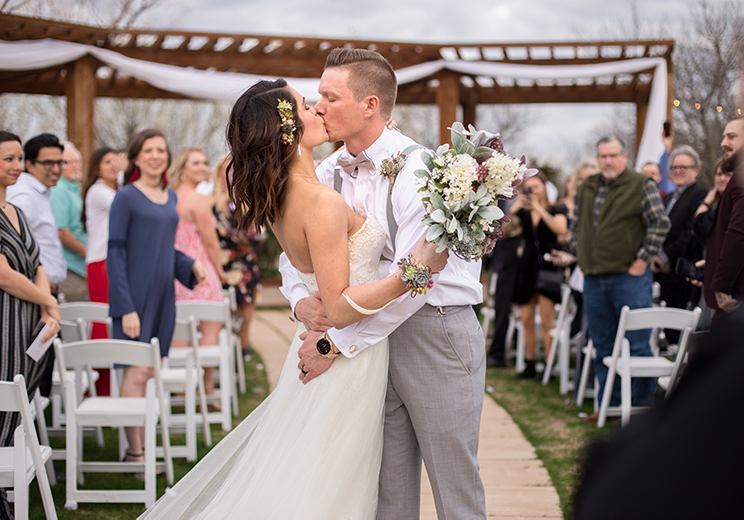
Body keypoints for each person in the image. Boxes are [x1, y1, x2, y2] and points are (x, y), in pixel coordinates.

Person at [140, 73, 447, 518]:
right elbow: (338, 306)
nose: (318, 108)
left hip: (335, 351)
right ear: (288, 130)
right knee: (330, 491)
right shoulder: (319, 201)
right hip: (347, 361)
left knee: (313, 479)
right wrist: (416, 270)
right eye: (306, 105)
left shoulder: (284, 194)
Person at [292, 48, 486, 519]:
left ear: (370, 105)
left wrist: (334, 344)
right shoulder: (326, 173)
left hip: (434, 333)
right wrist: (300, 302)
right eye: (318, 97)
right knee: (386, 492)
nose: (318, 108)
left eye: (330, 97)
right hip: (368, 346)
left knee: (454, 488)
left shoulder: (418, 169)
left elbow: (415, 280)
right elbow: (291, 252)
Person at [107, 128, 206, 466]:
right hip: (133, 298)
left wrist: (189, 264)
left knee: (152, 372)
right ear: (136, 156)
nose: (155, 156)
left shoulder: (171, 197)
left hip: (164, 298)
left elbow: (165, 249)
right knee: (135, 373)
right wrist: (125, 308)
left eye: (161, 150)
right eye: (148, 150)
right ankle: (135, 452)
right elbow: (115, 253)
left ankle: (145, 445)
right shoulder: (125, 197)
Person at [565, 136, 670, 423]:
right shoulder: (587, 187)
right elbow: (576, 226)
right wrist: (579, 251)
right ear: (597, 158)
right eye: (603, 156)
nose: (608, 161)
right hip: (593, 279)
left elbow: (660, 223)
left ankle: (642, 411)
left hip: (629, 277)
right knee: (603, 346)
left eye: (613, 155)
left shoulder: (641, 184)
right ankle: (608, 406)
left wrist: (642, 260)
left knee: (637, 345)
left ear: (624, 156)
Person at [0, 131, 60, 520]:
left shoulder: (16, 212)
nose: (17, 166)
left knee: (20, 402)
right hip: (4, 320)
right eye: (8, 159)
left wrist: (46, 309)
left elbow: (36, 263)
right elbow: (4, 275)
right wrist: (49, 300)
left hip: (27, 323)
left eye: (19, 158)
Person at [168, 147, 226, 407]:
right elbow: (210, 241)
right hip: (201, 270)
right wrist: (220, 272)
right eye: (196, 163)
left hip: (175, 272)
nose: (203, 167)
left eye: (204, 163)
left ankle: (181, 390)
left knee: (180, 328)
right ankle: (206, 389)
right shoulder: (199, 200)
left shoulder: (168, 197)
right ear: (183, 168)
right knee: (210, 329)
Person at [509, 171, 568, 378]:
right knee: (526, 319)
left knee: (546, 318)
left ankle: (550, 363)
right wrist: (515, 209)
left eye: (536, 186)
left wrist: (538, 208)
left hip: (547, 267)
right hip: (526, 267)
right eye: (529, 187)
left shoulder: (555, 208)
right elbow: (506, 231)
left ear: (544, 187)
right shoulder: (522, 211)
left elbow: (560, 229)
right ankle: (530, 362)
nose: (533, 190)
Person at [651, 146, 707, 331]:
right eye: (674, 167)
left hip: (683, 273)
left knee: (678, 329)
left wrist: (665, 257)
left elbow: (691, 231)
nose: (678, 171)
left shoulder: (700, 195)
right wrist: (656, 256)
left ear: (695, 170)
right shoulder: (667, 198)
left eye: (683, 167)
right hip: (664, 273)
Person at [212, 156, 262, 356]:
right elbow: (220, 231)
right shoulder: (211, 201)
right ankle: (225, 351)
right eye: (227, 169)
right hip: (223, 264)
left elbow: (258, 233)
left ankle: (243, 348)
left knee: (246, 313)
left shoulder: (249, 200)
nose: (231, 174)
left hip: (246, 263)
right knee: (226, 314)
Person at [6, 133, 67, 294]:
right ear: (30, 165)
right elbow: (9, 247)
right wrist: (37, 283)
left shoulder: (40, 192)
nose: (56, 169)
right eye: (48, 163)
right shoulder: (24, 196)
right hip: (36, 290)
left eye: (59, 163)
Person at [702, 119, 744, 327]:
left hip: (736, 297)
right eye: (723, 136)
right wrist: (712, 262)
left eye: (731, 137)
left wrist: (722, 286)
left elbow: (738, 234)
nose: (723, 143)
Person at [51, 141, 88, 301]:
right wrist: (88, 253)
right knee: (76, 313)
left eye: (77, 161)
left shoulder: (76, 189)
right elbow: (62, 233)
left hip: (82, 267)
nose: (75, 166)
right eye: (68, 162)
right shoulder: (58, 190)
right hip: (71, 269)